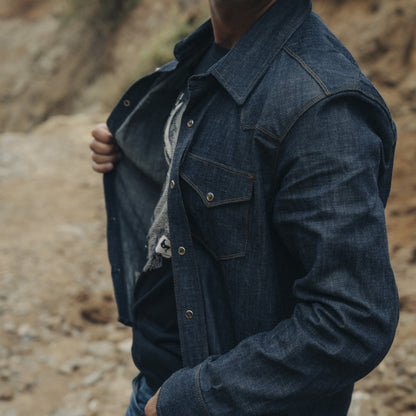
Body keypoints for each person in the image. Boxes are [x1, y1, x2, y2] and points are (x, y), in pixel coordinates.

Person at [90, 0, 399, 415]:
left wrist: (194, 398)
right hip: (157, 385)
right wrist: (133, 145)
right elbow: (216, 175)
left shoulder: (321, 107)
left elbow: (351, 321)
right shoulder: (214, 53)